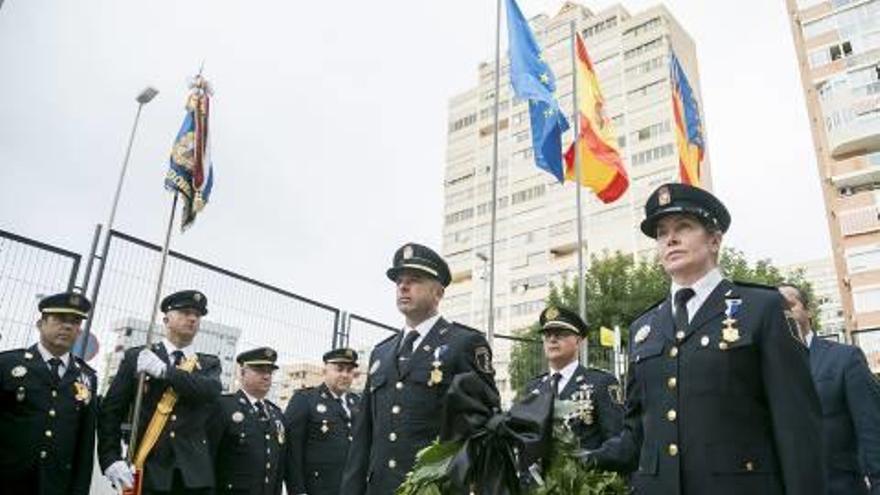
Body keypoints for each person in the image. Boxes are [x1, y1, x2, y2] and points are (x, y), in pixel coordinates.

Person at [582, 183, 824, 495]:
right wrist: (577, 458)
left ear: (714, 239)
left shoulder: (761, 308)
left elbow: (798, 429)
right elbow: (636, 433)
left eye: (683, 227)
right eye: (661, 232)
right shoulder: (644, 328)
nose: (670, 239)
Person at [340, 242, 497, 495]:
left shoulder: (464, 343)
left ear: (438, 292)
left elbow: (485, 426)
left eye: (414, 280)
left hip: (435, 488)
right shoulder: (381, 353)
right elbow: (363, 435)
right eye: (399, 281)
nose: (403, 286)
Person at [98, 289, 222, 495]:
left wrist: (166, 372)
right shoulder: (138, 357)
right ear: (166, 319)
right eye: (184, 312)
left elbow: (210, 391)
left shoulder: (208, 364)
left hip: (193, 476)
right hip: (148, 466)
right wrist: (111, 458)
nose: (192, 318)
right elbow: (111, 411)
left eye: (197, 315)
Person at [779, 283, 880, 494]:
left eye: (790, 304)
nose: (784, 312)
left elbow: (871, 428)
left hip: (840, 487)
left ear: (808, 311)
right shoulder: (764, 368)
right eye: (777, 309)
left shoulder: (845, 358)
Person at [0, 292, 98, 495]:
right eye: (60, 319)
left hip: (55, 485)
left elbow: (85, 443)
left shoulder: (87, 377)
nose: (68, 326)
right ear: (40, 324)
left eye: (75, 322)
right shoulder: (8, 365)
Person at [522, 305, 622, 450]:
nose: (552, 339)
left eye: (560, 334)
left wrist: (587, 462)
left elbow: (618, 442)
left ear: (578, 341)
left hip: (586, 471)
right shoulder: (533, 388)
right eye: (547, 335)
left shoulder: (601, 383)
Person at [207, 347, 286, 495]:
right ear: (242, 373)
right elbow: (209, 458)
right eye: (260, 370)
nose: (266, 376)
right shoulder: (224, 407)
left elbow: (278, 469)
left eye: (269, 371)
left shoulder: (276, 414)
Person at [284, 347, 360, 495]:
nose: (345, 375)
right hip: (317, 488)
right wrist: (298, 490)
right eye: (339, 369)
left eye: (349, 370)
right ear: (324, 371)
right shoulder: (305, 399)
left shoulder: (357, 403)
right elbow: (292, 451)